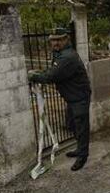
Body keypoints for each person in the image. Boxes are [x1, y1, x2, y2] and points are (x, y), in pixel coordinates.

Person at [28, 28, 91, 171]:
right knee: (71, 125)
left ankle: (82, 156)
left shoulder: (67, 57)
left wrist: (33, 76)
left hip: (79, 97)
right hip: (72, 97)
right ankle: (80, 149)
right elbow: (53, 71)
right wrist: (41, 73)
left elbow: (52, 76)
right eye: (53, 40)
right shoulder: (60, 54)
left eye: (59, 40)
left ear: (66, 39)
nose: (55, 43)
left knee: (81, 127)